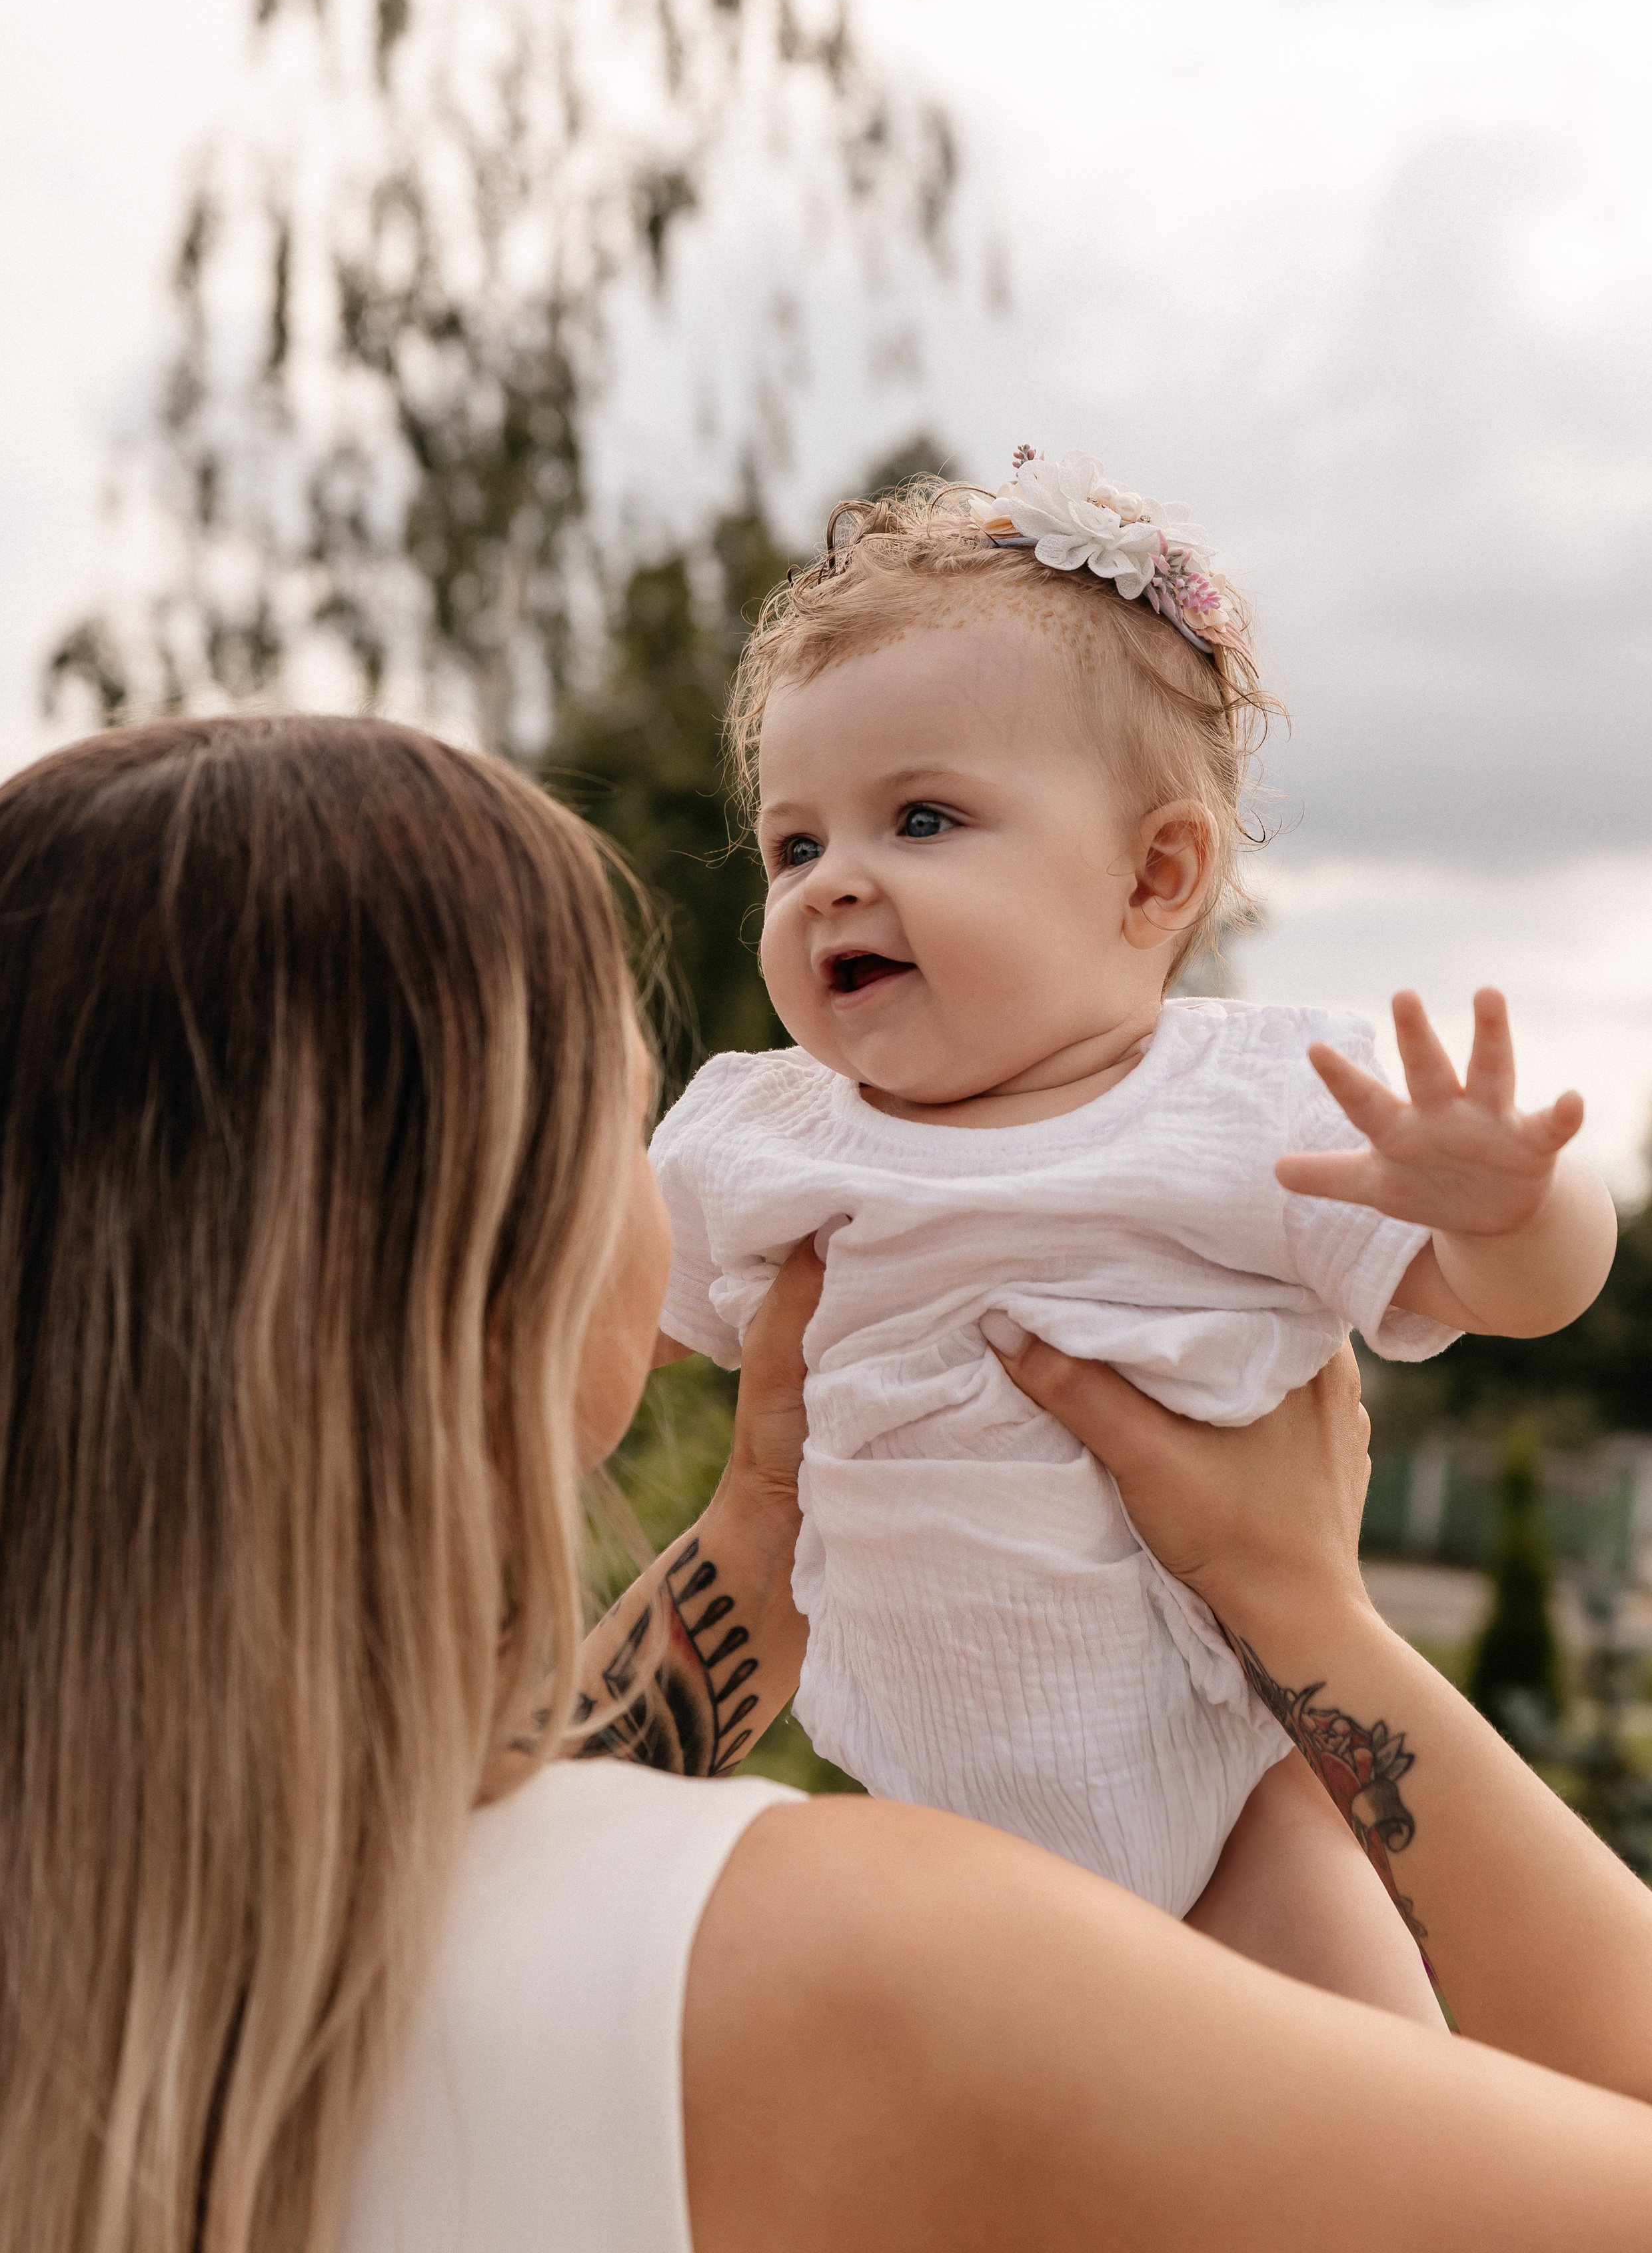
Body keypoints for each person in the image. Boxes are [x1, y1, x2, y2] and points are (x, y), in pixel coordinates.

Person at [0, 715, 1652, 2253]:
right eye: (624, 1114)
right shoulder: (840, 1967)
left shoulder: (85, 1948)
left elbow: (484, 1833)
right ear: (499, 1263)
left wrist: (762, 1525)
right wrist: (1305, 1614)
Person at [646, 453, 1616, 2010]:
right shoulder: (762, 1134)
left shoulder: (1245, 1107)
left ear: (1154, 875)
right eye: (793, 845)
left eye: (919, 818)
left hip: (1240, 1805)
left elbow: (1511, 1297)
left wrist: (1517, 1211)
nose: (831, 885)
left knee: (1360, 2098)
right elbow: (580, 1332)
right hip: (918, 1825)